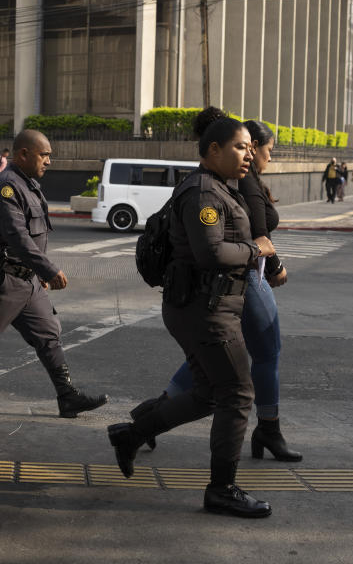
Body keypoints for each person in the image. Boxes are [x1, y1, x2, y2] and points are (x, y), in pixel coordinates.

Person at [106, 108, 277, 518]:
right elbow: (211, 252)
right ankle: (222, 489)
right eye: (240, 147)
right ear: (213, 149)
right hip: (206, 310)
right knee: (237, 394)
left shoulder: (220, 186)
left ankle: (132, 434)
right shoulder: (204, 192)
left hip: (206, 307)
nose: (248, 156)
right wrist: (258, 249)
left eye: (251, 149)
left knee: (209, 393)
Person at [132, 119, 300, 463]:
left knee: (213, 369)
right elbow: (251, 236)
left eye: (254, 151)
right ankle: (265, 432)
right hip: (236, 279)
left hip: (230, 280)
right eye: (252, 149)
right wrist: (272, 259)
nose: (256, 157)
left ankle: (148, 419)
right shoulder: (219, 186)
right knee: (255, 364)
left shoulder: (226, 182)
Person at [0, 130, 107, 418]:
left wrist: (38, 275)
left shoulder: (29, 185)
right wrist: (48, 270)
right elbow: (18, 238)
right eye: (44, 154)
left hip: (28, 281)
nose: (49, 161)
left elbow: (35, 239)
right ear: (23, 154)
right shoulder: (6, 187)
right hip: (4, 280)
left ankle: (67, 396)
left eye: (49, 155)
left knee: (48, 335)